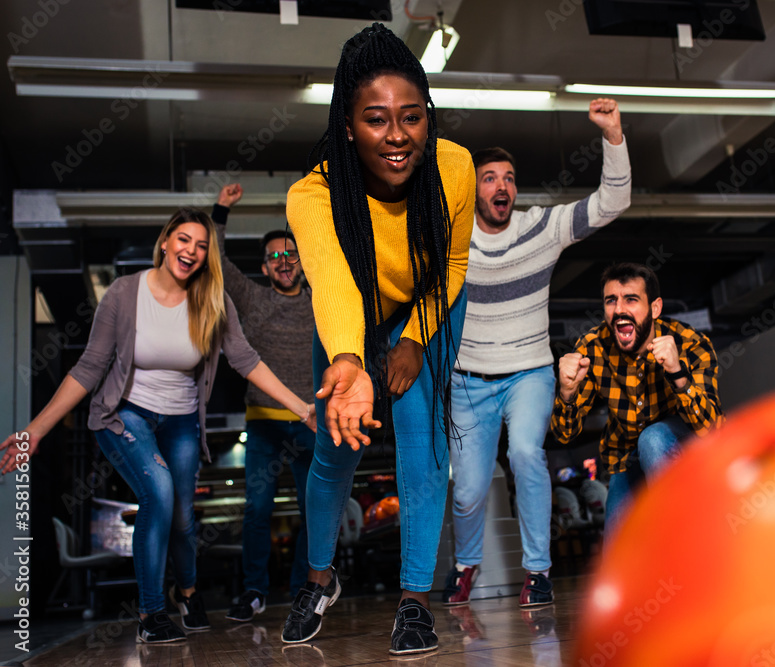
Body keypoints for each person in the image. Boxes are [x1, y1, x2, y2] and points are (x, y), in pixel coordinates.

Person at [0, 208, 316, 643]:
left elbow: (246, 360)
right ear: (166, 241)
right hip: (127, 413)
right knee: (159, 493)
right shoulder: (124, 294)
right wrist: (34, 431)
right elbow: (89, 368)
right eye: (184, 240)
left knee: (183, 518)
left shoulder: (213, 301)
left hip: (183, 420)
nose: (191, 251)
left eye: (202, 246)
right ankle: (151, 614)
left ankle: (186, 590)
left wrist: (303, 407)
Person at [279, 23, 475, 656]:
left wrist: (417, 336)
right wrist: (349, 359)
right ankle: (317, 580)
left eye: (412, 117)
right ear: (347, 127)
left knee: (422, 439)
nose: (397, 135)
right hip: (351, 314)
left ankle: (415, 602)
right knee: (335, 447)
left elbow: (453, 265)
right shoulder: (312, 195)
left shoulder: (454, 165)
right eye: (376, 119)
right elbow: (333, 282)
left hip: (430, 298)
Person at [443, 99, 631, 608]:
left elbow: (611, 203)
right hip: (467, 380)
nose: (500, 186)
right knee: (468, 490)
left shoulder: (541, 228)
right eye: (488, 178)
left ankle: (538, 572)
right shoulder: (451, 239)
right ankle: (467, 565)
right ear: (472, 188)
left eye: (508, 178)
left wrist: (612, 135)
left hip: (528, 371)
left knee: (527, 453)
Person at [550, 262, 724, 539]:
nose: (619, 310)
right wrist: (567, 394)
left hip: (687, 453)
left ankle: (688, 539)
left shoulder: (690, 344)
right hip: (626, 458)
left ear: (655, 308)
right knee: (618, 558)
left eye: (631, 299)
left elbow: (712, 429)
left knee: (653, 438)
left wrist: (677, 373)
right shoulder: (592, 348)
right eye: (611, 301)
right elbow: (564, 435)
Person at [209, 184, 316, 622]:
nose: (284, 262)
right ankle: (253, 591)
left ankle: (304, 589)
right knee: (257, 508)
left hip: (311, 423)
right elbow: (214, 261)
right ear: (264, 267)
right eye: (275, 257)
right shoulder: (252, 298)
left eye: (291, 255)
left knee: (317, 510)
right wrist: (220, 210)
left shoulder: (320, 304)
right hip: (266, 426)